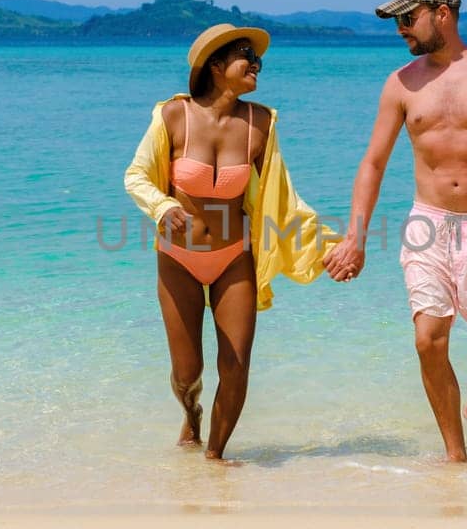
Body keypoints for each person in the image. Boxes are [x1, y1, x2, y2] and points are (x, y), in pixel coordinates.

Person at [323, 0, 467, 462]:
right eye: (398, 21)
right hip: (428, 226)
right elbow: (373, 163)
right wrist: (354, 238)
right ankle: (455, 457)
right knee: (429, 339)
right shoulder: (401, 83)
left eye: (408, 18)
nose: (401, 29)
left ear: (441, 14)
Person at [124, 24, 336, 460]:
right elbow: (137, 175)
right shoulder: (173, 116)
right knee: (188, 372)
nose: (256, 65)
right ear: (217, 66)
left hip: (234, 257)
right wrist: (163, 207)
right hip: (178, 257)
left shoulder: (260, 122)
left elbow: (282, 197)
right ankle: (191, 412)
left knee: (236, 365)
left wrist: (330, 246)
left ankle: (215, 457)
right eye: (247, 56)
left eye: (258, 59)